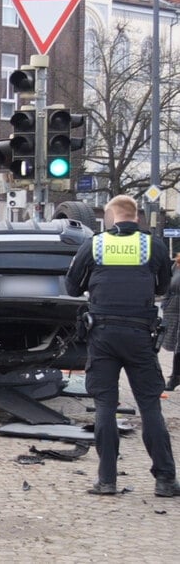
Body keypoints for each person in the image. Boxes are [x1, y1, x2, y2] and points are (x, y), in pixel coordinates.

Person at [64, 194, 180, 497]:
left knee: (105, 406)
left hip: (102, 334)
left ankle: (107, 481)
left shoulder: (95, 244)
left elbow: (72, 286)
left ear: (112, 217)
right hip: (140, 334)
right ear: (136, 217)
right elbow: (163, 287)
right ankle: (165, 480)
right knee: (149, 405)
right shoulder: (151, 245)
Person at [161, 253, 180, 390]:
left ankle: (175, 377)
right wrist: (165, 303)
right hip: (174, 309)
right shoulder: (176, 265)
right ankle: (176, 376)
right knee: (177, 344)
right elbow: (168, 285)